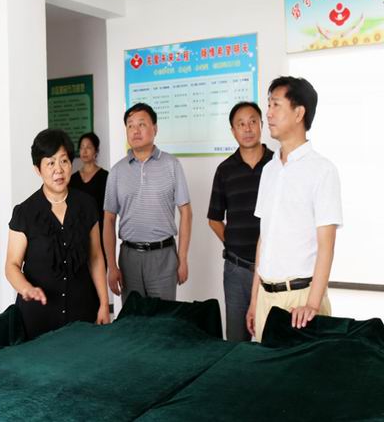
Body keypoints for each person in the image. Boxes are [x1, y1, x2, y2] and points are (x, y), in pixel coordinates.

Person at [247, 77, 342, 341]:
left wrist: (312, 304)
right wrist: (254, 300)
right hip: (266, 296)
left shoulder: (322, 170)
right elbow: (264, 239)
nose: (268, 113)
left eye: (276, 105)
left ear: (299, 113)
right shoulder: (269, 169)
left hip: (301, 299)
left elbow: (326, 245)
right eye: (268, 105)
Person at [5, 129, 110, 340]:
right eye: (50, 163)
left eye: (64, 161)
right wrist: (26, 288)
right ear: (38, 169)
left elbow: (96, 257)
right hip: (38, 316)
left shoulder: (87, 205)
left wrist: (104, 303)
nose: (58, 170)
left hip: (82, 312)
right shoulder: (25, 212)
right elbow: (12, 265)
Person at [104, 103, 192, 303]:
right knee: (133, 318)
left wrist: (183, 258)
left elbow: (186, 213)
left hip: (163, 256)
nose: (135, 130)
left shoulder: (172, 165)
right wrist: (112, 266)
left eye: (142, 124)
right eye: (130, 126)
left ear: (155, 128)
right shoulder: (117, 171)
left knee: (163, 318)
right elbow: (108, 219)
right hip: (129, 258)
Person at [207, 102, 274, 342]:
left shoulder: (277, 165)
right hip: (237, 270)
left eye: (252, 122)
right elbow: (214, 219)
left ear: (262, 125)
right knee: (236, 340)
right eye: (241, 124)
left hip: (273, 268)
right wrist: (233, 242)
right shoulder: (225, 170)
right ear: (233, 131)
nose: (247, 129)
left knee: (273, 338)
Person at [69, 132, 109, 261]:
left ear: (96, 151)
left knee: (98, 264)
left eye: (88, 147)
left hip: (99, 230)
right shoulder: (72, 179)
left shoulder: (105, 176)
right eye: (82, 147)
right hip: (77, 233)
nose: (84, 151)